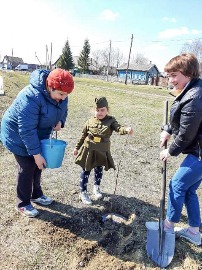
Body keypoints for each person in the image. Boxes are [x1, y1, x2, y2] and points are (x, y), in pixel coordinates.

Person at [1, 68, 74, 217]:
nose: (63, 97)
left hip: (38, 133)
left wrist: (61, 121)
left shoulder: (62, 95)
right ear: (50, 86)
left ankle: (36, 194)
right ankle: (23, 203)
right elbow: (26, 130)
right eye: (61, 94)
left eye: (66, 95)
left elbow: (63, 109)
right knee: (27, 166)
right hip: (17, 134)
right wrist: (36, 154)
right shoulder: (30, 96)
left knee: (38, 165)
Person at [160, 53, 202, 246]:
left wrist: (170, 151)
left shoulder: (195, 97)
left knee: (177, 185)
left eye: (174, 75)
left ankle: (168, 225)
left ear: (189, 73)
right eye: (169, 76)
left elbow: (186, 134)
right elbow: (180, 117)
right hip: (198, 151)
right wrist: (168, 130)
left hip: (199, 154)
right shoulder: (191, 90)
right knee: (188, 190)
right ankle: (194, 231)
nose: (171, 80)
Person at [73, 97, 133, 205]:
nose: (100, 113)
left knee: (99, 169)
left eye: (102, 110)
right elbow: (83, 136)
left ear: (107, 110)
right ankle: (83, 192)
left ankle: (96, 187)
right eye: (97, 110)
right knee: (86, 170)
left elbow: (118, 128)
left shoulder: (111, 120)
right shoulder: (89, 121)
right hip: (89, 150)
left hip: (102, 150)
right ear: (94, 110)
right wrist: (77, 148)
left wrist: (126, 130)